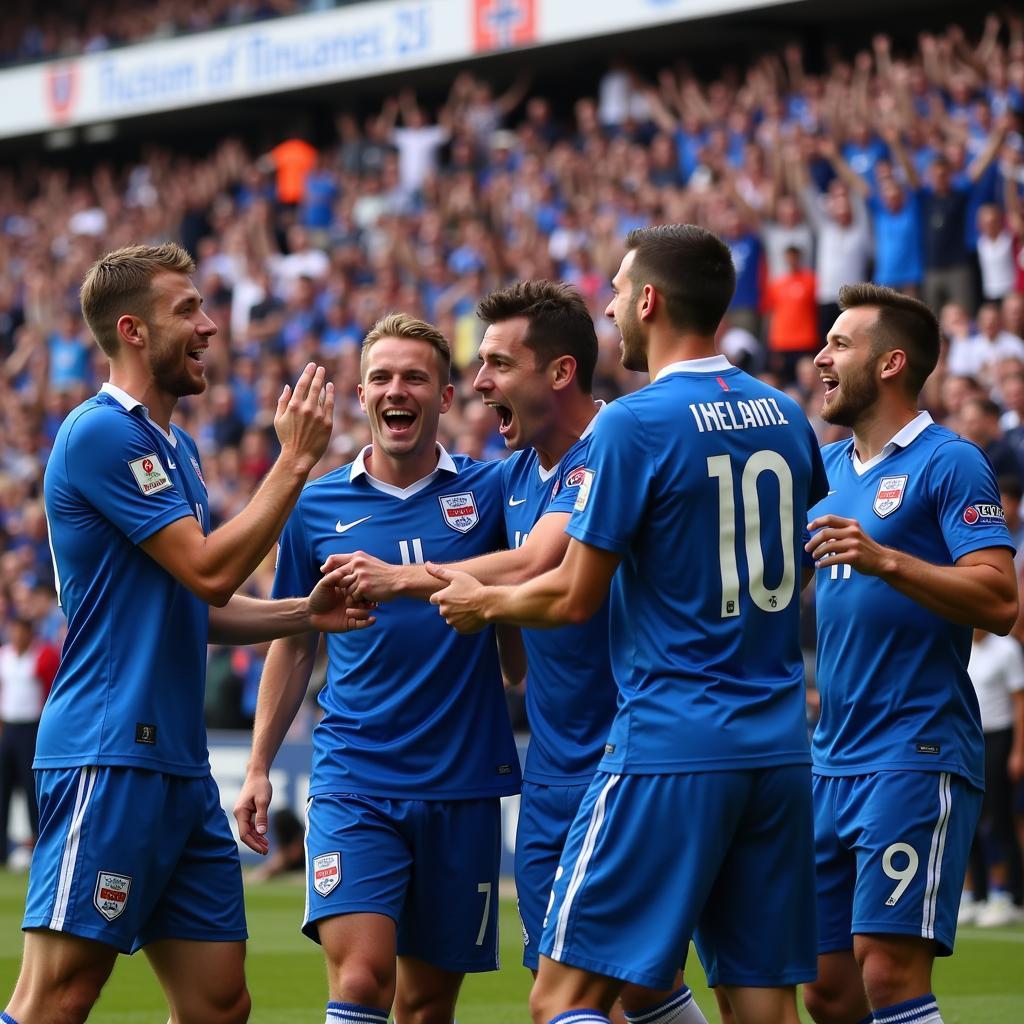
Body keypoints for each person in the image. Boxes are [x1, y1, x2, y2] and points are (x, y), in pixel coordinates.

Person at [429, 224, 828, 1024]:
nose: (610, 308)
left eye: (616, 291)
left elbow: (573, 593)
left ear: (649, 299)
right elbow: (802, 556)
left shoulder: (633, 423)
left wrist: (485, 601)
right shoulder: (786, 416)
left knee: (562, 998)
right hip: (779, 747)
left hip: (670, 741)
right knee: (763, 1006)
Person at [4, 242, 371, 1024]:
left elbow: (198, 608)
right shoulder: (101, 434)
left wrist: (306, 613)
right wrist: (293, 463)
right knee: (57, 997)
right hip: (109, 753)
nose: (209, 325)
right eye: (188, 310)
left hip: (176, 763)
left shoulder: (180, 451)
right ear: (133, 331)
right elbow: (206, 571)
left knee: (218, 1004)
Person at [327, 281, 706, 1024]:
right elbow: (483, 558)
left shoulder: (617, 444)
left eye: (497, 363)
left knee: (578, 995)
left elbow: (542, 558)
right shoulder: (514, 476)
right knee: (629, 989)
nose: (480, 384)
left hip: (631, 758)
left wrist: (405, 579)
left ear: (558, 373)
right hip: (551, 768)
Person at [232, 313, 522, 1024]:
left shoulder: (493, 494)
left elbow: (523, 611)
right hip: (355, 775)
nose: (399, 389)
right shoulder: (315, 505)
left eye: (416, 377)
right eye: (383, 377)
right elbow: (295, 638)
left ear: (446, 398)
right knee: (361, 980)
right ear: (361, 395)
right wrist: (260, 765)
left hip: (462, 782)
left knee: (426, 1008)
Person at [803, 283, 1018, 1024]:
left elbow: (999, 598)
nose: (820, 357)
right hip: (830, 757)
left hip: (916, 749)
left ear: (891, 363)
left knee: (889, 972)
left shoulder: (949, 462)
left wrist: (887, 559)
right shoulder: (824, 471)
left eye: (839, 345)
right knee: (826, 991)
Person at [0, 616, 58, 867]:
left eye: (20, 631)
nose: (16, 636)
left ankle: (38, 846)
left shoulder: (41, 655)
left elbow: (49, 689)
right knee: (3, 790)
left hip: (31, 729)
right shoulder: (5, 656)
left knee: (32, 790)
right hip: (8, 728)